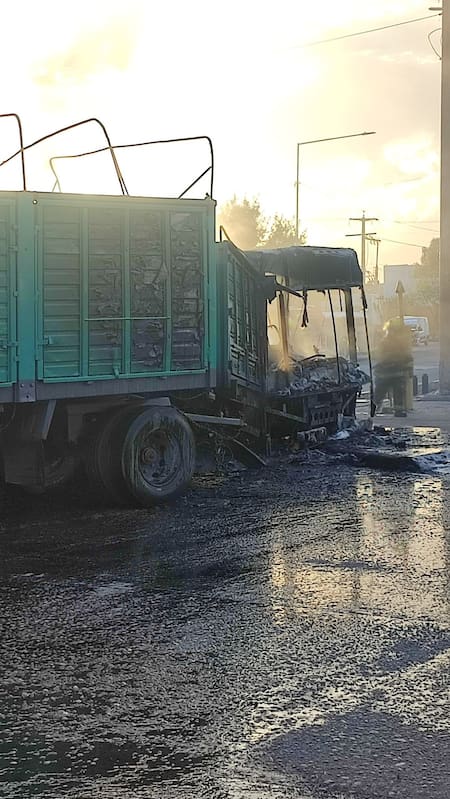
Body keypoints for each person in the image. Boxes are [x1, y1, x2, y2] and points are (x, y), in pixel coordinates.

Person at [374, 317, 413, 417]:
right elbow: (407, 357)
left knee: (391, 393)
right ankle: (397, 411)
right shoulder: (391, 342)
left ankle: (396, 410)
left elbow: (407, 356)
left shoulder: (389, 342)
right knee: (385, 393)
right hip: (391, 373)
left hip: (390, 373)